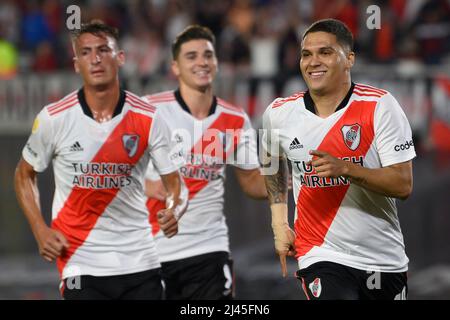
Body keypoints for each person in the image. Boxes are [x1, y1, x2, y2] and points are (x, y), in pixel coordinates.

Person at [14, 21, 187, 300]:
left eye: (104, 50)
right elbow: (24, 174)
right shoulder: (54, 118)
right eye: (86, 52)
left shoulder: (149, 118)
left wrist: (173, 210)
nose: (95, 59)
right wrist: (39, 229)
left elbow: (173, 182)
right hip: (81, 262)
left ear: (120, 58)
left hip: (140, 260)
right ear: (75, 63)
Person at [261, 19, 416, 300]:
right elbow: (271, 163)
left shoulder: (379, 106)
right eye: (306, 54)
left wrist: (346, 169)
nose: (313, 62)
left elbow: (403, 184)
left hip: (383, 259)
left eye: (325, 52)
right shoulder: (279, 113)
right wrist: (279, 224)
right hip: (320, 253)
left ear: (349, 59)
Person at [143, 25, 267, 300]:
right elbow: (114, 166)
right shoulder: (150, 110)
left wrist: (294, 178)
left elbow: (252, 182)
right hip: (151, 249)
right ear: (175, 66)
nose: (201, 62)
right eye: (191, 56)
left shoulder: (235, 119)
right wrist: (144, 185)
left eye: (207, 55)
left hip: (208, 248)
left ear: (217, 63)